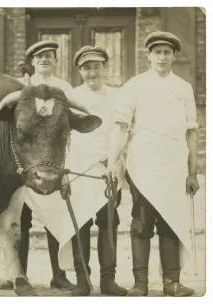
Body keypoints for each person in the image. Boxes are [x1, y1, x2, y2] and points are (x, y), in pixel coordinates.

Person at [104, 31, 200, 297]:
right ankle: (141, 284)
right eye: (157, 52)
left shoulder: (183, 88)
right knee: (142, 223)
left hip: (174, 165)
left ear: (174, 56)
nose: (162, 57)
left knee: (171, 223)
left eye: (167, 52)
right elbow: (121, 126)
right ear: (148, 55)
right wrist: (113, 163)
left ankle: (172, 282)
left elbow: (191, 132)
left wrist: (193, 172)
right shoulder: (134, 86)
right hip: (143, 164)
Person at [0, 40, 77, 292]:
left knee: (54, 220)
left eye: (49, 56)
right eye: (39, 56)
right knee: (21, 220)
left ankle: (59, 274)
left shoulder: (64, 89)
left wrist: (65, 171)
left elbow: (68, 132)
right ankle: (19, 275)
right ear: (31, 63)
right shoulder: (22, 88)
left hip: (53, 164)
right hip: (27, 166)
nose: (44, 60)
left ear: (55, 61)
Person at [60, 45, 128, 296]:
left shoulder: (117, 96)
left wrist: (113, 163)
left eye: (96, 66)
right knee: (81, 225)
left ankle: (108, 280)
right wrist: (64, 173)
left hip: (108, 170)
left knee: (109, 224)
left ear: (104, 68)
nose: (92, 72)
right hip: (77, 170)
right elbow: (62, 137)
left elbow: (120, 132)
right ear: (79, 70)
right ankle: (82, 281)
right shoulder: (69, 98)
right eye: (87, 67)